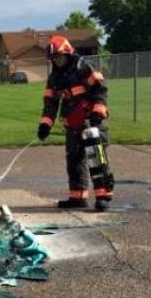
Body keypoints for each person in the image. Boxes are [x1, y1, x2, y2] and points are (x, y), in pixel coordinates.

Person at [37, 35, 115, 212]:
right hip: (72, 125)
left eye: (58, 57)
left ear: (68, 54)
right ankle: (77, 197)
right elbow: (50, 103)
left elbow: (100, 90)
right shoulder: (54, 78)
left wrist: (97, 112)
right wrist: (45, 125)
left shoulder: (83, 68)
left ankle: (103, 196)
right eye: (53, 59)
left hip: (91, 123)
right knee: (74, 161)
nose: (56, 61)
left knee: (96, 158)